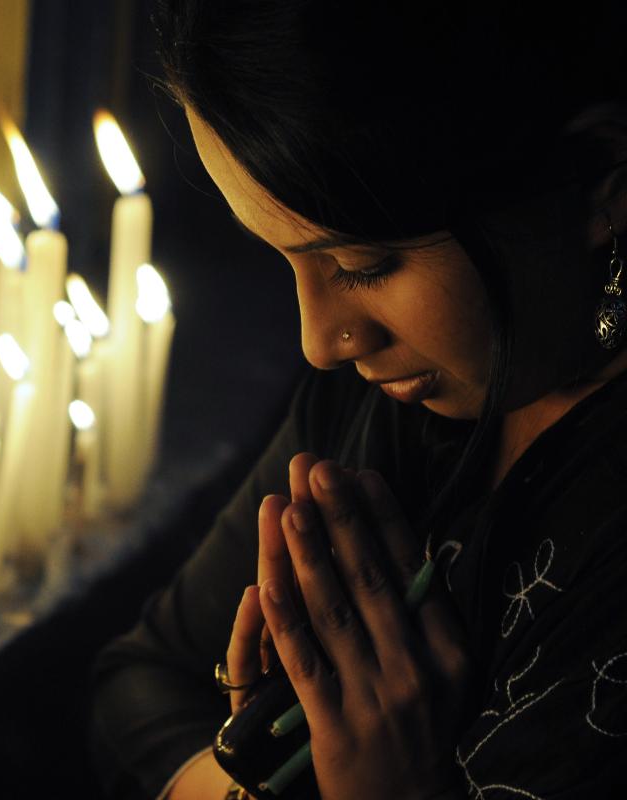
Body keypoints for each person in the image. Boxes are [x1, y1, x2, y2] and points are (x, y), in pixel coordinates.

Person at [89, 1, 627, 798]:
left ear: (600, 187)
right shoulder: (383, 408)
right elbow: (139, 684)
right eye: (286, 259)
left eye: (365, 264)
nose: (320, 341)